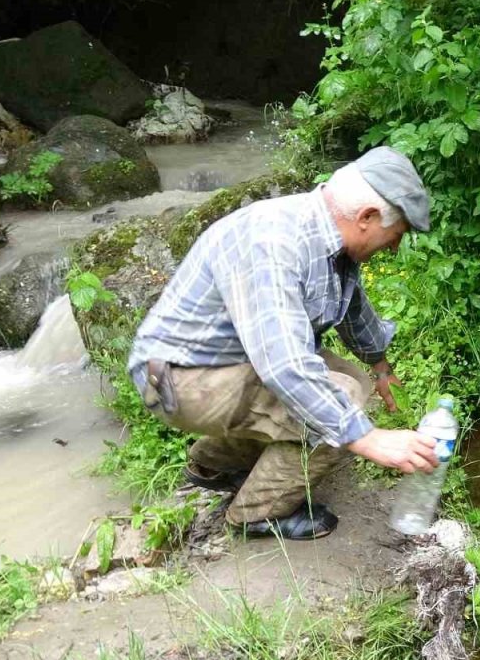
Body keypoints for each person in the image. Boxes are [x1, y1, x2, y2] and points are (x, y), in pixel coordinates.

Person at [128, 147, 439, 540]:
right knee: (340, 400)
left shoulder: (327, 238)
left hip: (228, 363)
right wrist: (367, 438)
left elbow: (354, 307)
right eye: (396, 236)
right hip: (182, 378)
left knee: (356, 385)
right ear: (366, 218)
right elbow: (285, 365)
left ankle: (215, 461)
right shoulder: (272, 241)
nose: (394, 247)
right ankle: (256, 513)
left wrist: (380, 367)